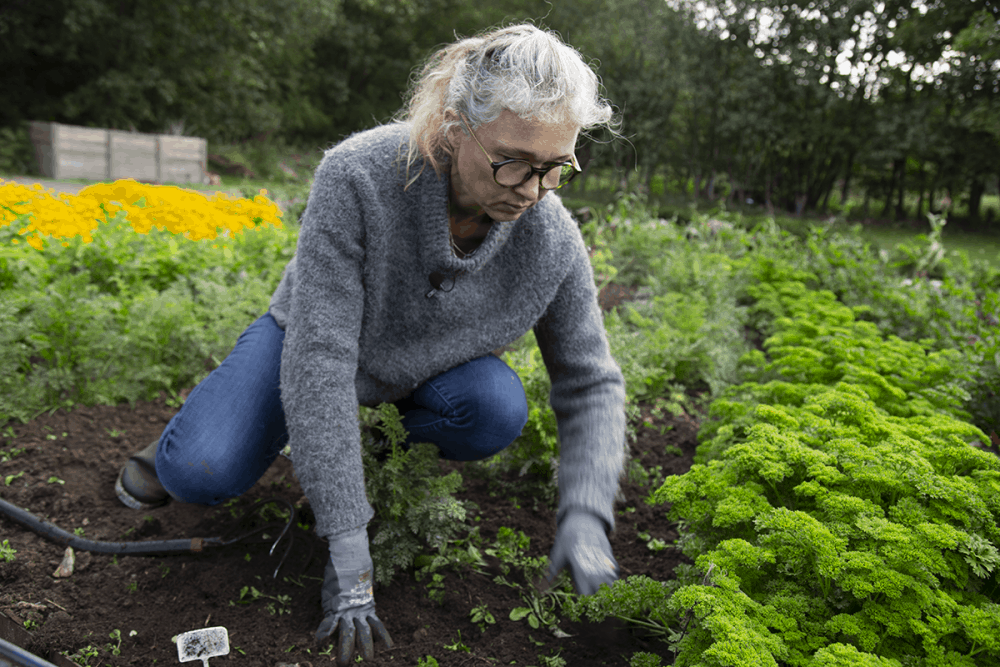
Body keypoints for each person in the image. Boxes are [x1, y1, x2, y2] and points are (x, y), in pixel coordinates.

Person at [114, 23, 627, 666]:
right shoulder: (359, 175)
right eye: (513, 161)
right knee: (202, 470)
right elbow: (321, 358)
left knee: (493, 407)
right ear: (452, 123)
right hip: (313, 341)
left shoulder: (549, 237)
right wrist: (349, 546)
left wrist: (585, 511)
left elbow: (590, 380)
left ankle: (356, 462)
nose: (532, 188)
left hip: (422, 370)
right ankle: (180, 442)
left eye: (556, 167)